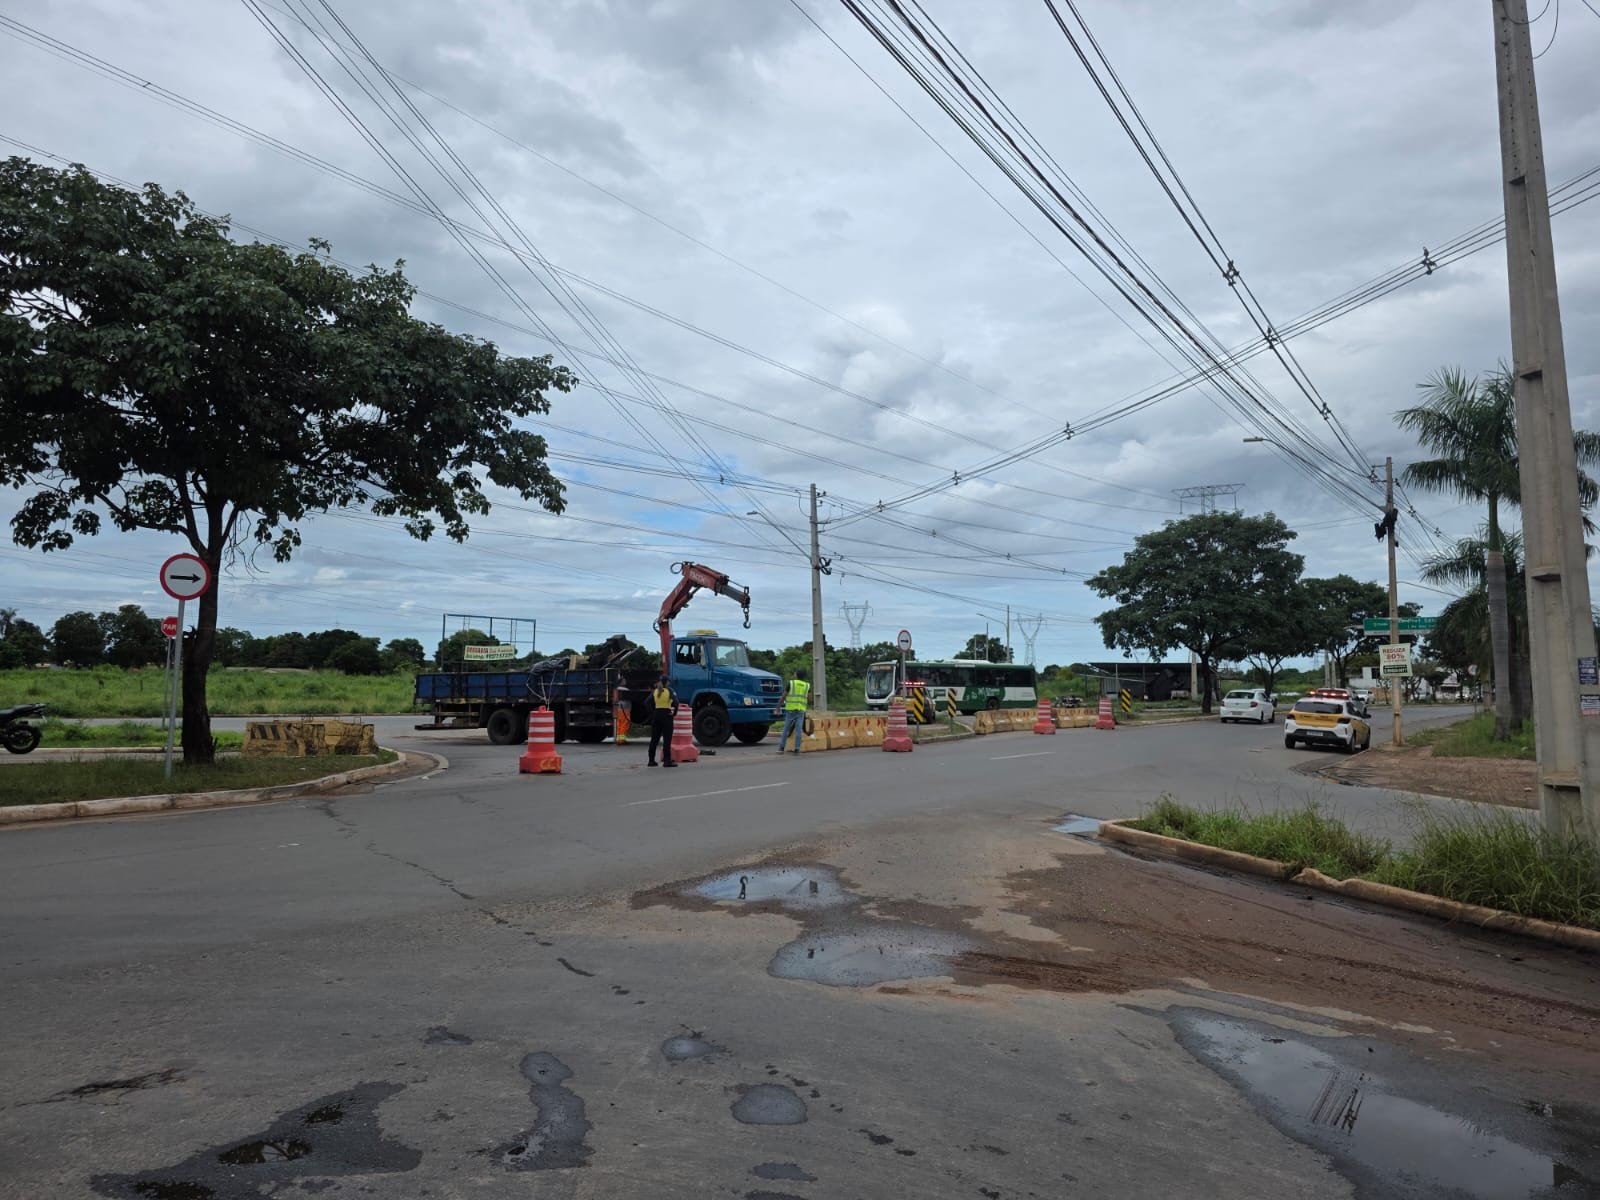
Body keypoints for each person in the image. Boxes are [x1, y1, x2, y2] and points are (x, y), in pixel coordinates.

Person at [776, 667, 810, 754]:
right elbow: (809, 698)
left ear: (796, 675)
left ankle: (781, 748)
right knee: (799, 729)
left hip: (790, 709)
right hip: (801, 710)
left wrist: (778, 706)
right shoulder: (807, 686)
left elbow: (783, 696)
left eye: (795, 673)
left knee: (786, 729)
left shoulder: (791, 683)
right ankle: (797, 749)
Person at [648, 675, 677, 767]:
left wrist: (653, 713)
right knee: (667, 740)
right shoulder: (669, 690)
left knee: (654, 739)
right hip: (666, 716)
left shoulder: (656, 691)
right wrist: (674, 713)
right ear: (666, 682)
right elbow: (676, 702)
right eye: (668, 681)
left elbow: (646, 703)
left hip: (656, 715)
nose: (669, 683)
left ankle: (651, 761)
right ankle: (667, 761)